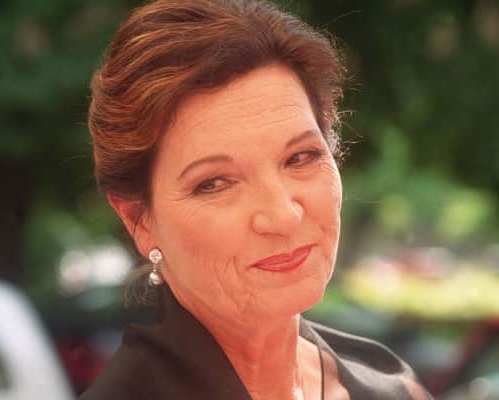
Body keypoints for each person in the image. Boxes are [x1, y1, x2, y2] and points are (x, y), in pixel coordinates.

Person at [80, 0, 433, 399]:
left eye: (300, 157)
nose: (282, 215)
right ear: (139, 221)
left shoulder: (393, 387)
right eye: (215, 183)